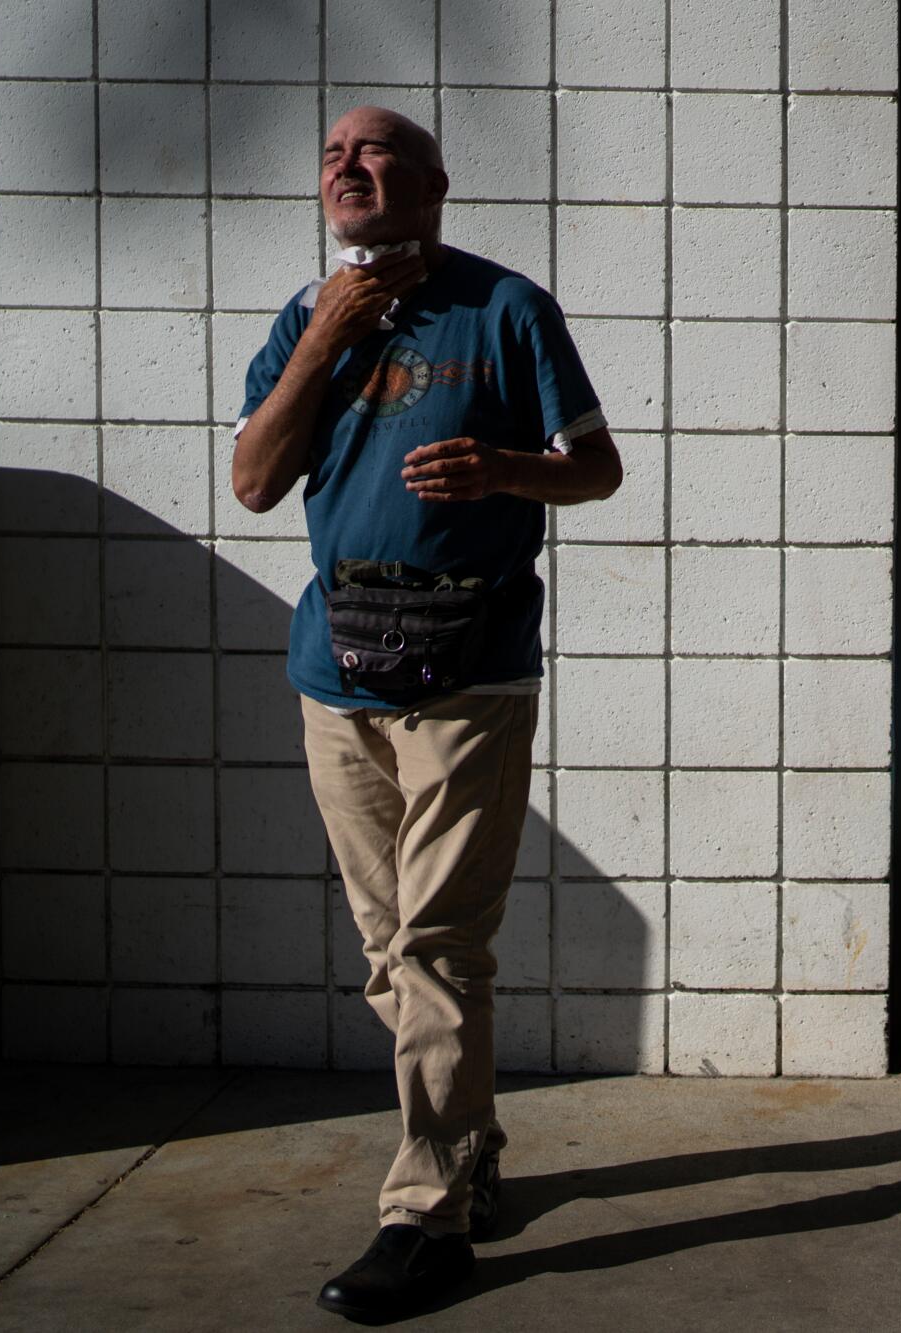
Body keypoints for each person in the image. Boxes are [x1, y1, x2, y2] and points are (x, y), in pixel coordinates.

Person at [231, 105, 623, 1321]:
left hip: (468, 672)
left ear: (434, 184)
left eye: (377, 150)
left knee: (438, 949)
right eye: (334, 155)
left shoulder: (504, 307)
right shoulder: (306, 317)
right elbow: (253, 481)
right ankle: (472, 1147)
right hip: (335, 670)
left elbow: (598, 467)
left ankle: (425, 1216)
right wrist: (329, 335)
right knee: (390, 951)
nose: (350, 166)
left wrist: (506, 470)